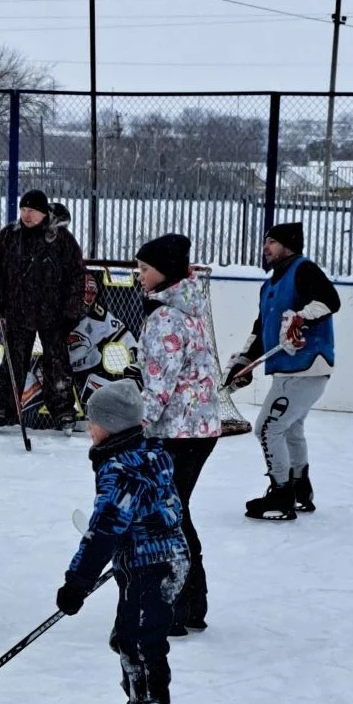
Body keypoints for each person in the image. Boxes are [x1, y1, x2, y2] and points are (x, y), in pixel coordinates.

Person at [55, 379, 189, 704]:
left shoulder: (121, 469)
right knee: (128, 637)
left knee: (144, 642)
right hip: (153, 559)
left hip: (155, 564)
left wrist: (76, 583)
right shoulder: (144, 453)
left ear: (110, 426)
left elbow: (104, 531)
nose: (88, 428)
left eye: (92, 422)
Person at [133, 233, 221, 635]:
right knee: (176, 511)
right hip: (197, 427)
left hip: (179, 431)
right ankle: (191, 605)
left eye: (145, 269)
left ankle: (179, 606)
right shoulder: (189, 305)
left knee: (169, 515)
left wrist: (130, 429)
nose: (138, 275)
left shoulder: (165, 317)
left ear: (164, 272)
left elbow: (157, 386)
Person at [223, 221, 340, 520]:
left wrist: (301, 318)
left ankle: (281, 493)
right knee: (290, 428)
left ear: (288, 245)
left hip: (306, 366)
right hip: (290, 370)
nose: (266, 248)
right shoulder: (270, 284)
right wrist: (244, 361)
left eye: (272, 242)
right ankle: (300, 487)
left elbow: (330, 300)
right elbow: (261, 328)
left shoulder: (304, 269)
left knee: (267, 427)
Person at [0, 189, 85, 433]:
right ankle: (5, 406)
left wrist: (71, 310)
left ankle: (62, 409)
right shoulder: (10, 236)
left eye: (32, 211)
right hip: (18, 311)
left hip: (54, 313)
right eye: (23, 210)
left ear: (43, 213)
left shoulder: (60, 238)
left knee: (56, 361)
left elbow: (75, 276)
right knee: (13, 359)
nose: (27, 215)